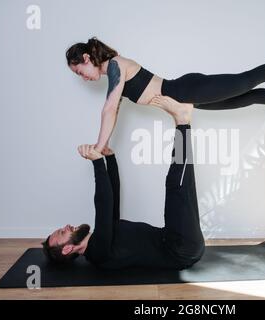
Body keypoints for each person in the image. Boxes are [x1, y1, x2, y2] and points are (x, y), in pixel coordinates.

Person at [66, 37, 265, 154]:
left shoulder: (114, 65)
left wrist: (99, 147)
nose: (83, 77)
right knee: (246, 97)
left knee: (247, 80)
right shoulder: (113, 76)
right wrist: (106, 145)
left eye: (80, 71)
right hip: (186, 98)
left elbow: (108, 110)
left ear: (88, 58)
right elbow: (115, 111)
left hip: (186, 90)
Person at [42, 97, 205, 270]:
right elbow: (103, 203)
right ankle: (182, 121)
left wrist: (109, 158)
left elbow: (112, 197)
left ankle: (182, 122)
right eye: (62, 232)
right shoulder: (97, 253)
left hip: (175, 239)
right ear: (68, 248)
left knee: (176, 184)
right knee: (177, 186)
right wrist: (97, 163)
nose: (66, 227)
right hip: (180, 248)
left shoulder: (102, 238)